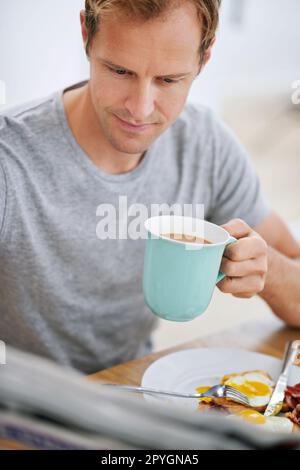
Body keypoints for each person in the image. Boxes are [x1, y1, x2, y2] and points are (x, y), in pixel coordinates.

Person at [0, 0, 299, 374]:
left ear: (204, 60)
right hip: (28, 407)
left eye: (169, 80)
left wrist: (266, 268)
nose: (140, 109)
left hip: (136, 389)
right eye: (120, 70)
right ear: (86, 36)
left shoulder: (205, 144)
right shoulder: (10, 157)